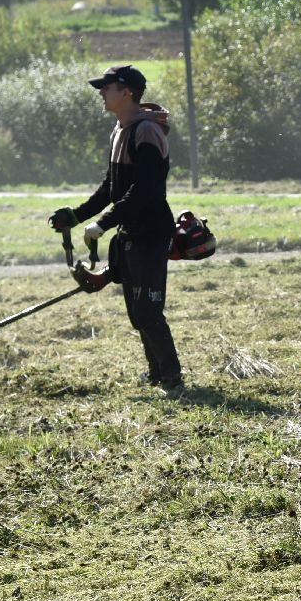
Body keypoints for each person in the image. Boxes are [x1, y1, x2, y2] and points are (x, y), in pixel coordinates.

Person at [49, 65, 185, 394]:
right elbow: (112, 186)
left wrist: (104, 223)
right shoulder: (120, 130)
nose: (101, 93)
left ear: (127, 92)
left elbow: (145, 190)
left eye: (107, 88)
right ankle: (156, 374)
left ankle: (172, 379)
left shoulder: (147, 132)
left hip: (151, 231)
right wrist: (77, 215)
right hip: (132, 230)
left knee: (148, 310)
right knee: (137, 313)